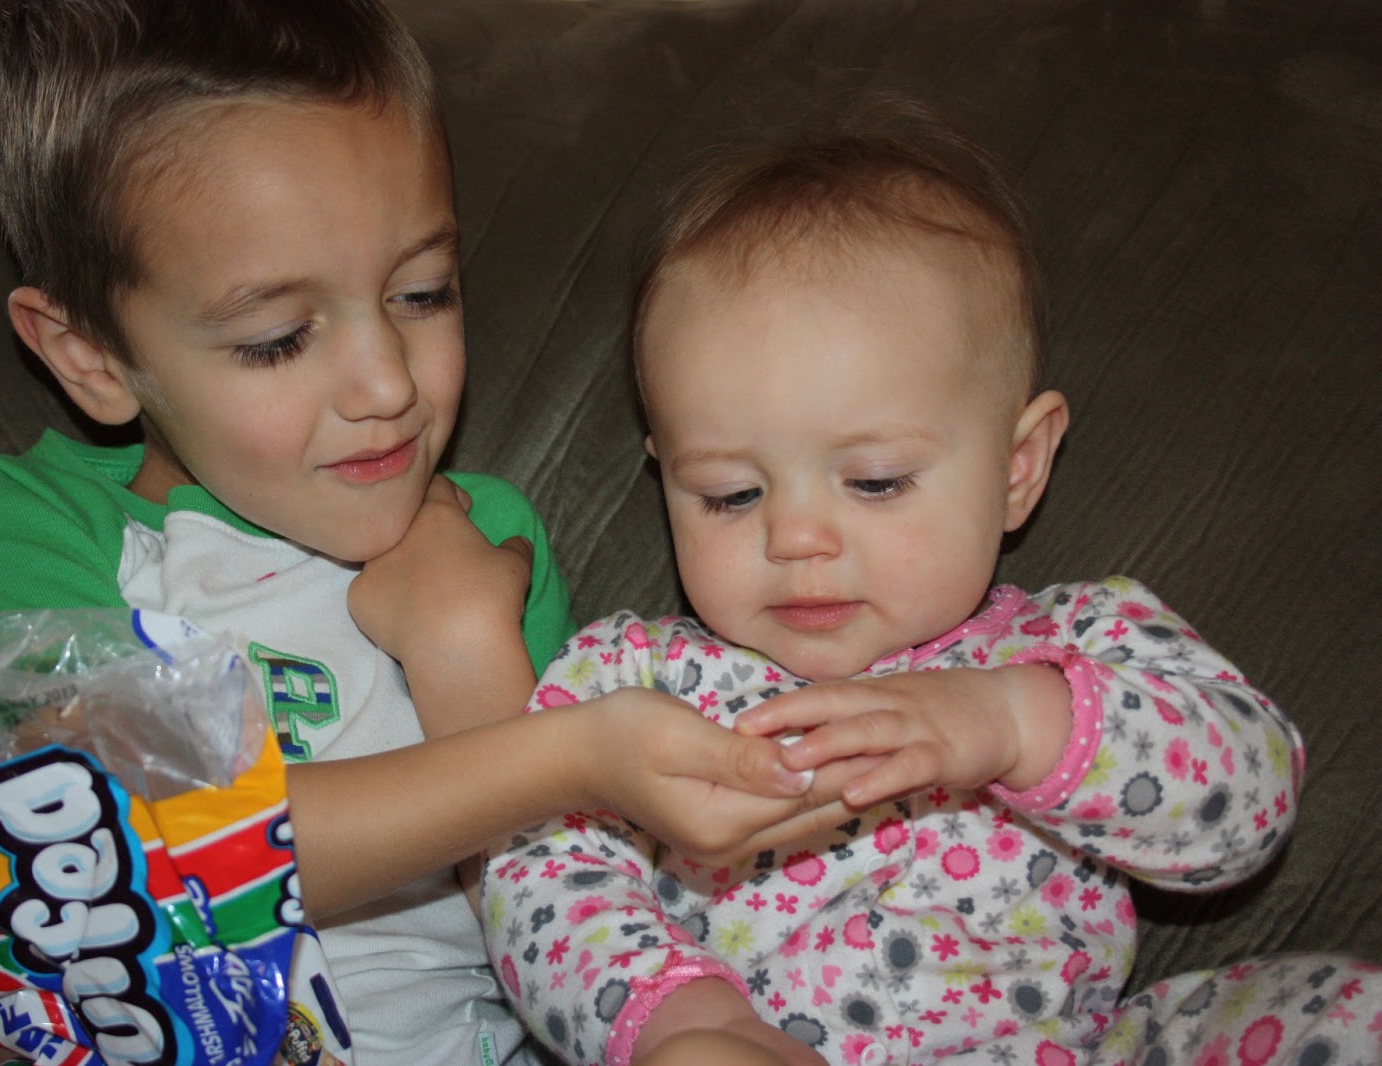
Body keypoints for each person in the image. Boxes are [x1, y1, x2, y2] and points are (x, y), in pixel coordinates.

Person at [0, 3, 850, 1064]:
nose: (388, 385)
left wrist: (464, 646)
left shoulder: (485, 540)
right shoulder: (15, 528)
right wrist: (564, 753)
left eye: (422, 293)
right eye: (279, 339)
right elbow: (148, 862)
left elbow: (567, 913)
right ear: (90, 356)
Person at [481, 98, 1381, 1066]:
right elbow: (533, 867)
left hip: (1071, 1048)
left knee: (1347, 1015)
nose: (796, 538)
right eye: (731, 494)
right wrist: (688, 1023)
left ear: (1017, 468)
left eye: (875, 482)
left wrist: (1016, 722)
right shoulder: (636, 682)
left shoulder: (1079, 644)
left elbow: (1251, 800)